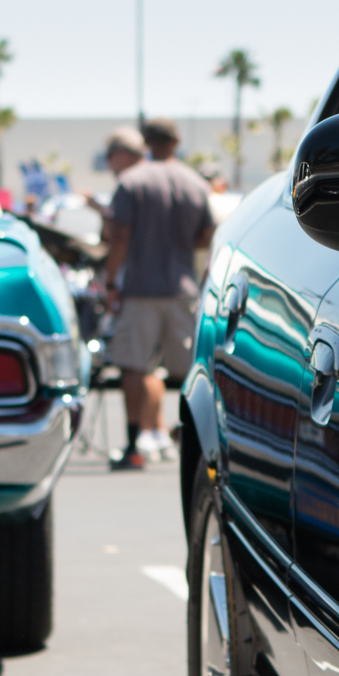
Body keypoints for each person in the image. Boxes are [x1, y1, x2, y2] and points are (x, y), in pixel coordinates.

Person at [102, 119, 214, 470]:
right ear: (177, 142)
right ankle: (197, 443)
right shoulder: (195, 182)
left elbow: (119, 235)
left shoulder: (132, 181)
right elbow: (206, 233)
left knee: (134, 366)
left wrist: (109, 283)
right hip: (182, 289)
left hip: (140, 290)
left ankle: (134, 445)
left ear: (146, 142)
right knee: (189, 371)